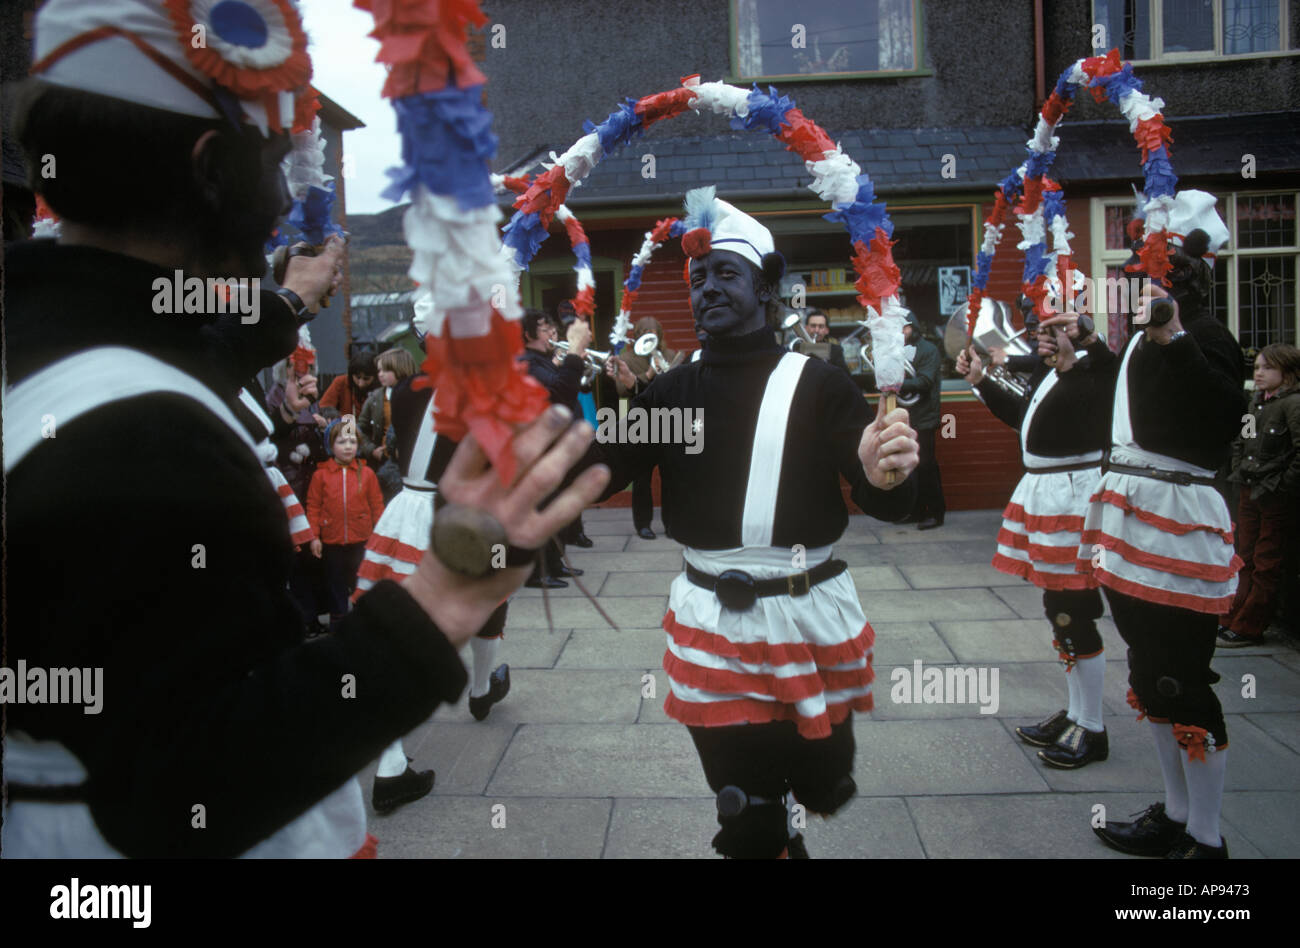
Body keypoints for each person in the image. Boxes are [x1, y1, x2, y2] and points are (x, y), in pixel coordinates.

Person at [3, 0, 607, 858]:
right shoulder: (140, 435)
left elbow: (161, 343)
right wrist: (442, 600)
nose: (288, 192)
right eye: (278, 159)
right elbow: (187, 790)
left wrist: (283, 304)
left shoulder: (49, 340)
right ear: (212, 167)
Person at [602, 188, 919, 858]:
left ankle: (796, 812)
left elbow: (887, 499)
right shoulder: (671, 391)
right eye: (697, 279)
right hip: (712, 623)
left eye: (725, 274)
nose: (706, 289)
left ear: (765, 290)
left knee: (822, 784)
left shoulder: (819, 383)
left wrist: (885, 476)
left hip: (808, 617)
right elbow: (600, 467)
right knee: (745, 809)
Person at [1082, 192, 1244, 860]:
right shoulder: (1139, 343)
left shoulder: (1205, 338)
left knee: (1181, 677)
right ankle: (1175, 815)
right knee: (1151, 674)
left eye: (1148, 273)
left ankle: (1207, 839)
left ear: (1181, 276)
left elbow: (1220, 416)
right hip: (1133, 523)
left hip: (1177, 525)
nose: (1133, 284)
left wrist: (1174, 337)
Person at [957, 310, 1116, 768]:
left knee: (1076, 609)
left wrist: (1076, 355)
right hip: (1049, 492)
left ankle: (1092, 727)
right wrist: (982, 380)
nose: (1042, 339)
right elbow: (1025, 421)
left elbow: (1099, 382)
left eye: (1053, 331)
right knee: (1061, 610)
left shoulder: (1093, 373)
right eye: (1040, 332)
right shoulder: (1055, 373)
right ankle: (1077, 712)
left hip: (1072, 497)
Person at [1219, 343, 1300, 646]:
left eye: (1268, 368)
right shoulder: (1255, 404)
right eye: (1257, 368)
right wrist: (1240, 472)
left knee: (1267, 559)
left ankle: (1250, 625)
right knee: (1244, 555)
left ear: (1287, 373)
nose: (1260, 373)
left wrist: (1281, 485)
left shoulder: (1292, 405)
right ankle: (1232, 615)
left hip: (1273, 493)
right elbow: (1243, 441)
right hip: (1248, 489)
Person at [519, 308, 590, 588]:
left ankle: (555, 563)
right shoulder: (527, 364)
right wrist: (573, 358)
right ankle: (538, 572)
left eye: (552, 329)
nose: (553, 334)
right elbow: (559, 395)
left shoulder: (544, 361)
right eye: (545, 329)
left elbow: (571, 389)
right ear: (527, 335)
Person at [307, 417, 386, 631]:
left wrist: (380, 536)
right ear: (330, 446)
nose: (348, 446)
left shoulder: (367, 474)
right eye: (342, 442)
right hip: (332, 542)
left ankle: (364, 622)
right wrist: (314, 536)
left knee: (361, 581)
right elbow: (313, 506)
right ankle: (338, 622)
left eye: (352, 441)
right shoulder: (320, 475)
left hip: (362, 540)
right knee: (335, 583)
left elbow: (377, 505)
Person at [614, 315, 683, 539]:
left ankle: (672, 523)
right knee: (641, 477)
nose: (649, 337)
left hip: (667, 420)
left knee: (671, 476)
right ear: (637, 336)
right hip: (640, 423)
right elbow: (621, 391)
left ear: (660, 335)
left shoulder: (671, 356)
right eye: (644, 333)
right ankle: (643, 524)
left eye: (653, 334)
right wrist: (650, 374)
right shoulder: (626, 358)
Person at [897, 311, 945, 530]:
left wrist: (894, 384)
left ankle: (935, 513)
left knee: (926, 466)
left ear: (914, 328)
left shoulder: (929, 350)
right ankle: (916, 511)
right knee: (910, 467)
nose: (901, 333)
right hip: (907, 416)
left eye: (904, 328)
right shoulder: (898, 350)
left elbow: (925, 382)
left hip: (924, 416)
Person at [359, 347, 418, 503]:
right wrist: (370, 450)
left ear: (399, 368)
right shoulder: (375, 398)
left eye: (385, 370)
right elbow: (357, 427)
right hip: (381, 464)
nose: (380, 374)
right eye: (379, 370)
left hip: (409, 465)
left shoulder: (417, 395)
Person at [319, 351, 378, 421]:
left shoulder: (382, 387)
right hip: (345, 428)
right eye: (357, 377)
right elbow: (325, 406)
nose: (361, 383)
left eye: (366, 378)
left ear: (375, 377)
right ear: (351, 374)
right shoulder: (341, 381)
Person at [793, 309, 850, 375]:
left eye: (821, 326)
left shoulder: (834, 350)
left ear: (827, 330)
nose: (817, 330)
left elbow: (844, 375)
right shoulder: (797, 349)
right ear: (806, 328)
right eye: (813, 326)